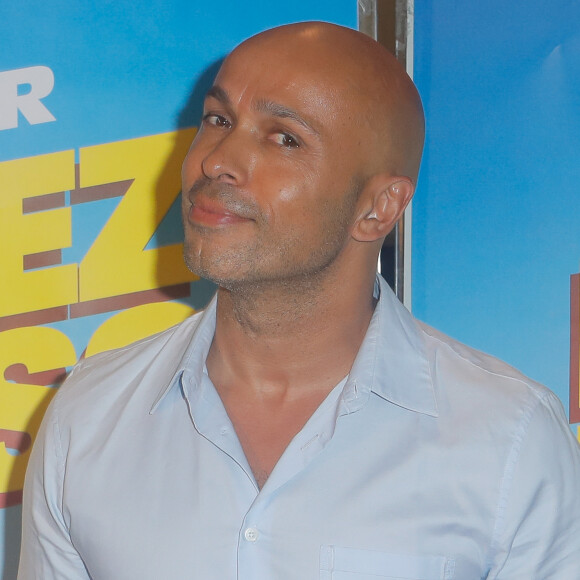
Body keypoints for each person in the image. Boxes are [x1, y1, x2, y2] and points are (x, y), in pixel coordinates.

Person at [18, 21, 580, 580]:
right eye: (218, 119)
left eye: (283, 137)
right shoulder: (89, 415)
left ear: (378, 208)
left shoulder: (509, 438)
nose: (217, 161)